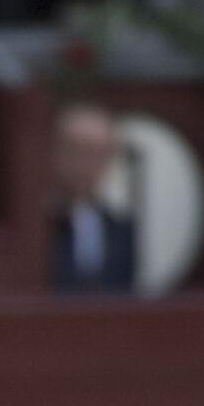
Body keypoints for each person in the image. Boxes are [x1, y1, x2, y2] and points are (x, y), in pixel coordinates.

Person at [48, 101, 136, 295]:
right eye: (76, 150)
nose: (85, 164)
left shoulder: (122, 230)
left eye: (97, 153)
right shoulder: (29, 226)